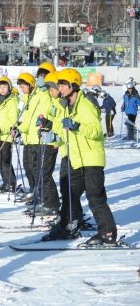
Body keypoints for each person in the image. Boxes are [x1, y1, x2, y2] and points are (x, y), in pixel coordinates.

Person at [42, 68, 117, 246]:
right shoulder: (68, 106)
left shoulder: (86, 104)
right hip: (76, 158)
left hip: (91, 158)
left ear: (73, 85)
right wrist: (51, 128)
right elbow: (65, 132)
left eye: (62, 84)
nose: (59, 88)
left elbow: (97, 131)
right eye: (59, 84)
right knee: (69, 194)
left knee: (95, 197)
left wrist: (77, 126)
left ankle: (107, 232)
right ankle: (68, 225)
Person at [16, 71, 58, 215]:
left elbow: (51, 112)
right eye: (39, 77)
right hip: (32, 137)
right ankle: (41, 198)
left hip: (42, 137)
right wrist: (19, 128)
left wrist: (46, 122)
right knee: (34, 170)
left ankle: (49, 202)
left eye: (44, 77)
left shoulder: (47, 95)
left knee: (43, 173)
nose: (41, 80)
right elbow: (28, 118)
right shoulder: (34, 96)